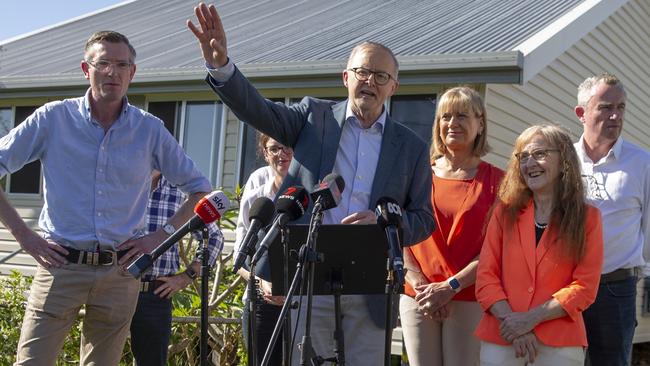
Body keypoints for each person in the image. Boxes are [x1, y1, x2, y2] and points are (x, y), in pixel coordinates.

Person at [187, 4, 435, 364]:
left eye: (381, 76)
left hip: (370, 286)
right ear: (345, 77)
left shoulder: (410, 146)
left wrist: (384, 226)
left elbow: (424, 218)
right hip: (309, 274)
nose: (370, 81)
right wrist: (222, 66)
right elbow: (258, 110)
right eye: (362, 71)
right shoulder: (313, 118)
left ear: (394, 86)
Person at [0, 31, 211, 365]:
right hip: (59, 265)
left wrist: (159, 238)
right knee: (32, 361)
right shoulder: (53, 118)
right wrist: (24, 236)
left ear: (133, 73)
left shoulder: (149, 130)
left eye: (122, 64)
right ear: (87, 69)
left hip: (119, 273)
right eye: (104, 64)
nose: (113, 72)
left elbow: (201, 190)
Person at [475, 124, 604, 365]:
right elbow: (486, 278)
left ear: (563, 158)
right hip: (502, 335)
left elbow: (585, 286)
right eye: (523, 157)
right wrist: (514, 323)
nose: (529, 163)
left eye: (540, 154)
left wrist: (531, 319)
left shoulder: (588, 218)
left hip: (560, 340)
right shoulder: (504, 213)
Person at [400, 86, 503, 366]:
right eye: (445, 117)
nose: (452, 123)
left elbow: (497, 250)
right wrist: (421, 285)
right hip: (418, 295)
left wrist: (450, 287)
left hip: (468, 296)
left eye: (462, 115)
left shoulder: (499, 182)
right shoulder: (417, 173)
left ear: (480, 123)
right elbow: (399, 235)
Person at [573, 74, 650, 366]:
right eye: (606, 107)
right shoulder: (563, 159)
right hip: (562, 287)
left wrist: (641, 275)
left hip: (615, 289)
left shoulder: (642, 164)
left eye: (621, 107)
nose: (616, 115)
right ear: (581, 113)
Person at [129, 171, 224, 366]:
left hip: (154, 294)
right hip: (113, 287)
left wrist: (187, 276)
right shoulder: (121, 184)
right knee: (102, 358)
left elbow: (213, 238)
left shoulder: (184, 192)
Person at [235, 133, 293, 365]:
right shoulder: (257, 185)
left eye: (288, 147)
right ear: (265, 153)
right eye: (275, 148)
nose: (283, 154)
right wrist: (260, 283)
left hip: (303, 302)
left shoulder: (311, 186)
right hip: (262, 301)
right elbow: (240, 257)